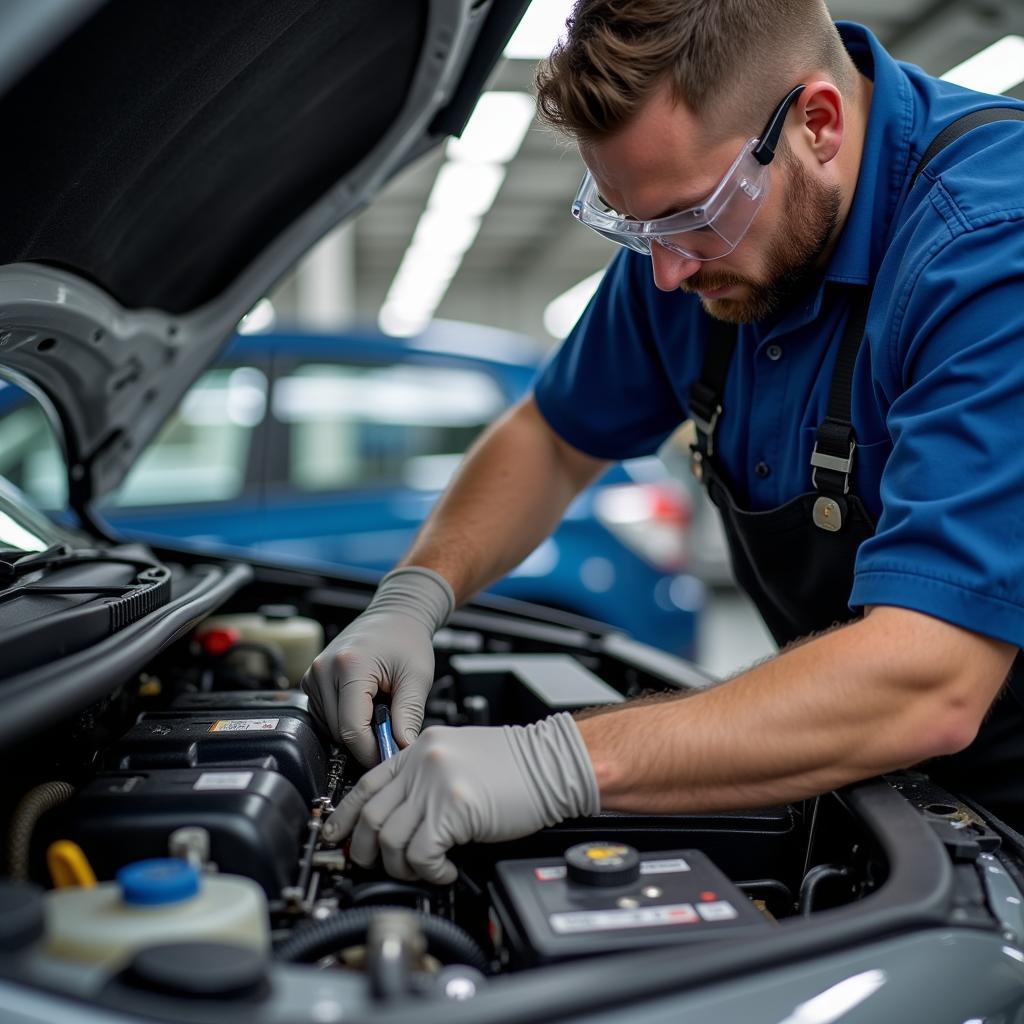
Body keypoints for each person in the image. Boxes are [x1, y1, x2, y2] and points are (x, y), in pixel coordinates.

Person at [301, 0, 1024, 884]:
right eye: (632, 225)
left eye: (690, 219)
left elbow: (931, 677)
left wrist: (552, 763)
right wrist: (412, 597)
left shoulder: (989, 249)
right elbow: (554, 437)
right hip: (899, 799)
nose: (668, 273)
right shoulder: (695, 236)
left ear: (819, 124)